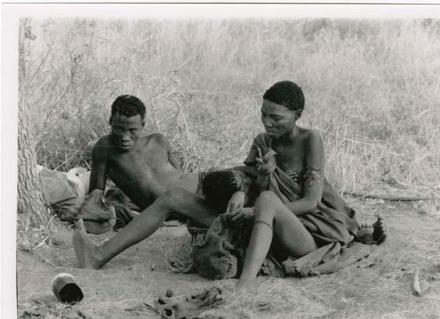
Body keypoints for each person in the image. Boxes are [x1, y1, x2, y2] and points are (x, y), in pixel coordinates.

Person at [221, 81, 386, 289]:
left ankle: (245, 284)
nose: (267, 122)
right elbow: (249, 178)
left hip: (309, 236)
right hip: (270, 230)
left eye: (276, 117)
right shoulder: (262, 142)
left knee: (267, 201)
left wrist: (253, 211)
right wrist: (240, 193)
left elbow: (311, 201)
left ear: (297, 115)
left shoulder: (310, 139)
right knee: (254, 203)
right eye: (263, 114)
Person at [72, 95, 250, 269]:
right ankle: (97, 256)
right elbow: (96, 191)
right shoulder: (104, 148)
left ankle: (239, 188)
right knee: (176, 196)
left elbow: (180, 173)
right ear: (110, 122)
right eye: (119, 129)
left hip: (204, 183)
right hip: (180, 201)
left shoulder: (158, 140)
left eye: (132, 131)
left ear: (143, 125)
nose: (125, 137)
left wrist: (238, 189)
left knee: (232, 174)